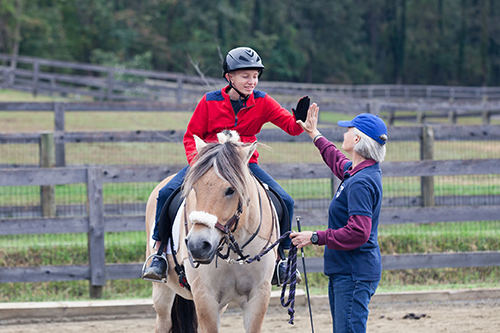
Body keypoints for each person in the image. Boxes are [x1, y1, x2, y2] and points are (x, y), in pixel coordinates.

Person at [143, 46, 309, 284]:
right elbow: (191, 136)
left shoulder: (263, 102)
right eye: (245, 76)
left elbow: (291, 128)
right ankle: (158, 255)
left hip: (244, 164)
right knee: (167, 192)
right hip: (208, 163)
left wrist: (300, 120)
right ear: (229, 77)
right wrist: (200, 165)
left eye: (255, 76)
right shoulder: (209, 101)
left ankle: (281, 260)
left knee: (286, 200)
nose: (252, 81)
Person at [290, 105, 387, 333]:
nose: (343, 133)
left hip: (353, 273)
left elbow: (358, 232)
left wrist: (314, 237)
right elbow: (335, 159)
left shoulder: (361, 182)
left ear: (356, 138)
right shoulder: (359, 171)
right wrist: (314, 134)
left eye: (347, 129)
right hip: (348, 270)